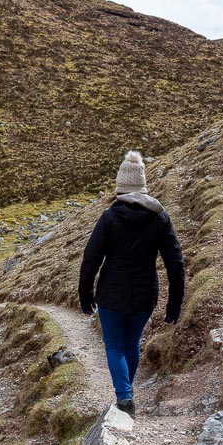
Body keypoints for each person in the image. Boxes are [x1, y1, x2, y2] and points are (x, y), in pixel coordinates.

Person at [78, 151, 185, 417]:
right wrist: (174, 304)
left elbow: (91, 258)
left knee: (114, 345)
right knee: (131, 343)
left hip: (111, 295)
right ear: (143, 185)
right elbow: (175, 263)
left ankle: (124, 398)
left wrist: (85, 293)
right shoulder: (160, 217)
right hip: (144, 295)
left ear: (120, 187)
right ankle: (126, 394)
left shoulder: (110, 217)